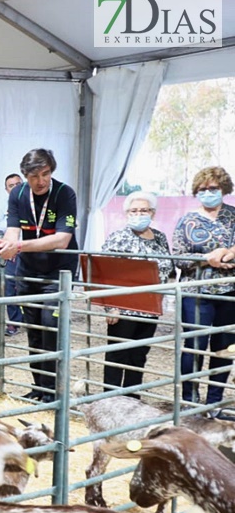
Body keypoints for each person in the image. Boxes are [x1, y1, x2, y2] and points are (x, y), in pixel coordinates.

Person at [0, 148, 79, 403]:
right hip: (28, 271)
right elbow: (12, 231)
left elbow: (62, 240)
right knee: (33, 330)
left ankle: (54, 391)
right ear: (25, 176)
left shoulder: (65, 194)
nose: (41, 181)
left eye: (46, 174)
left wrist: (18, 247)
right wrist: (4, 245)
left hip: (58, 271)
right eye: (34, 176)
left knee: (51, 327)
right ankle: (39, 387)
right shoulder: (18, 194)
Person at [170, 166, 235, 406]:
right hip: (195, 292)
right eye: (203, 189)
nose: (208, 192)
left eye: (213, 188)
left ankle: (214, 402)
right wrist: (207, 258)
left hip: (229, 291)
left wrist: (229, 253)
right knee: (195, 345)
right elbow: (177, 258)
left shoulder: (233, 216)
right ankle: (190, 400)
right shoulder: (187, 221)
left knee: (225, 346)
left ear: (223, 189)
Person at [101, 191, 171, 396]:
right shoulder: (118, 237)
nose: (139, 214)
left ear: (153, 213)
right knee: (117, 354)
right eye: (134, 210)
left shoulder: (160, 237)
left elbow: (167, 266)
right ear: (126, 214)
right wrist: (110, 306)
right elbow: (103, 272)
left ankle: (132, 397)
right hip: (124, 307)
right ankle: (110, 400)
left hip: (150, 306)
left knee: (139, 355)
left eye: (144, 210)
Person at [0, 173, 24, 335]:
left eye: (18, 183)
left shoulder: (31, 203)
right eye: (11, 186)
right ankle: (14, 321)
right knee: (10, 286)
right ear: (6, 190)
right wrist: (11, 218)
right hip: (11, 252)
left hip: (28, 251)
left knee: (28, 285)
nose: (16, 187)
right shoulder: (3, 207)